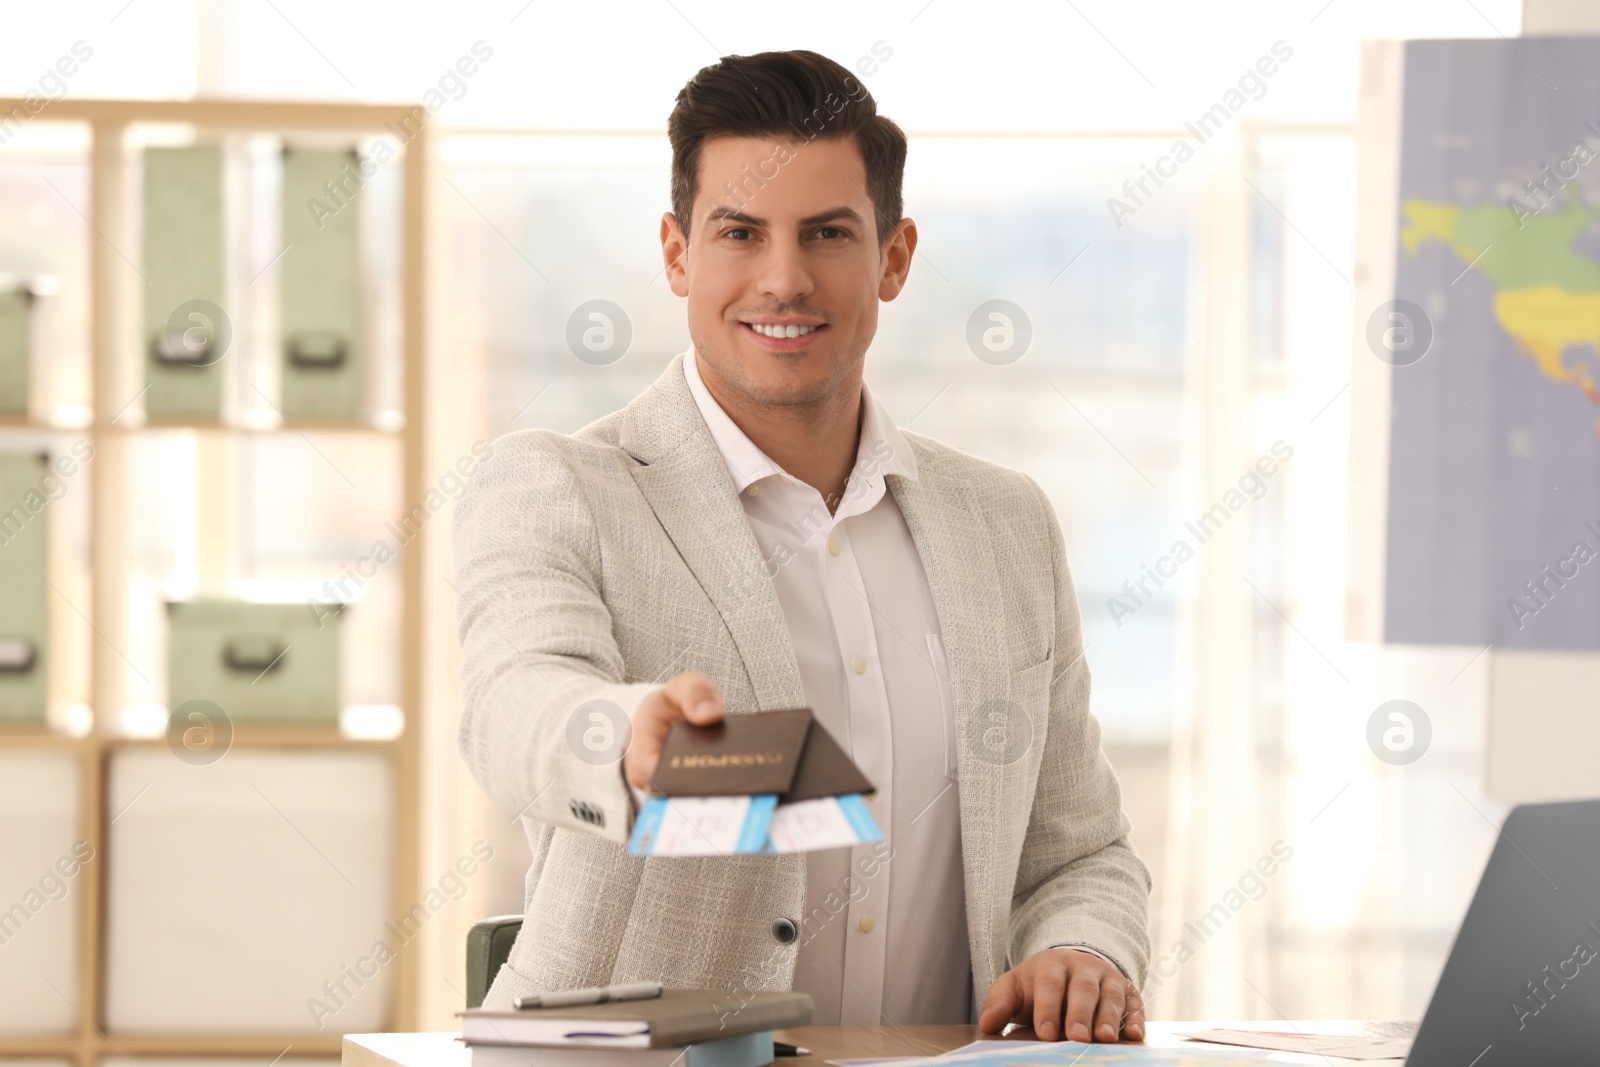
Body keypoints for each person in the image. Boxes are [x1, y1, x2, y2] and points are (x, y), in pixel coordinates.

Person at [453, 48, 1151, 1043]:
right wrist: (624, 732)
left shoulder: (1007, 524)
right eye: (739, 233)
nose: (783, 279)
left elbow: (1079, 852)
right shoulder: (557, 484)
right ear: (677, 253)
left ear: (893, 258)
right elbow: (512, 702)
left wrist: (1085, 948)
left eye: (827, 234)